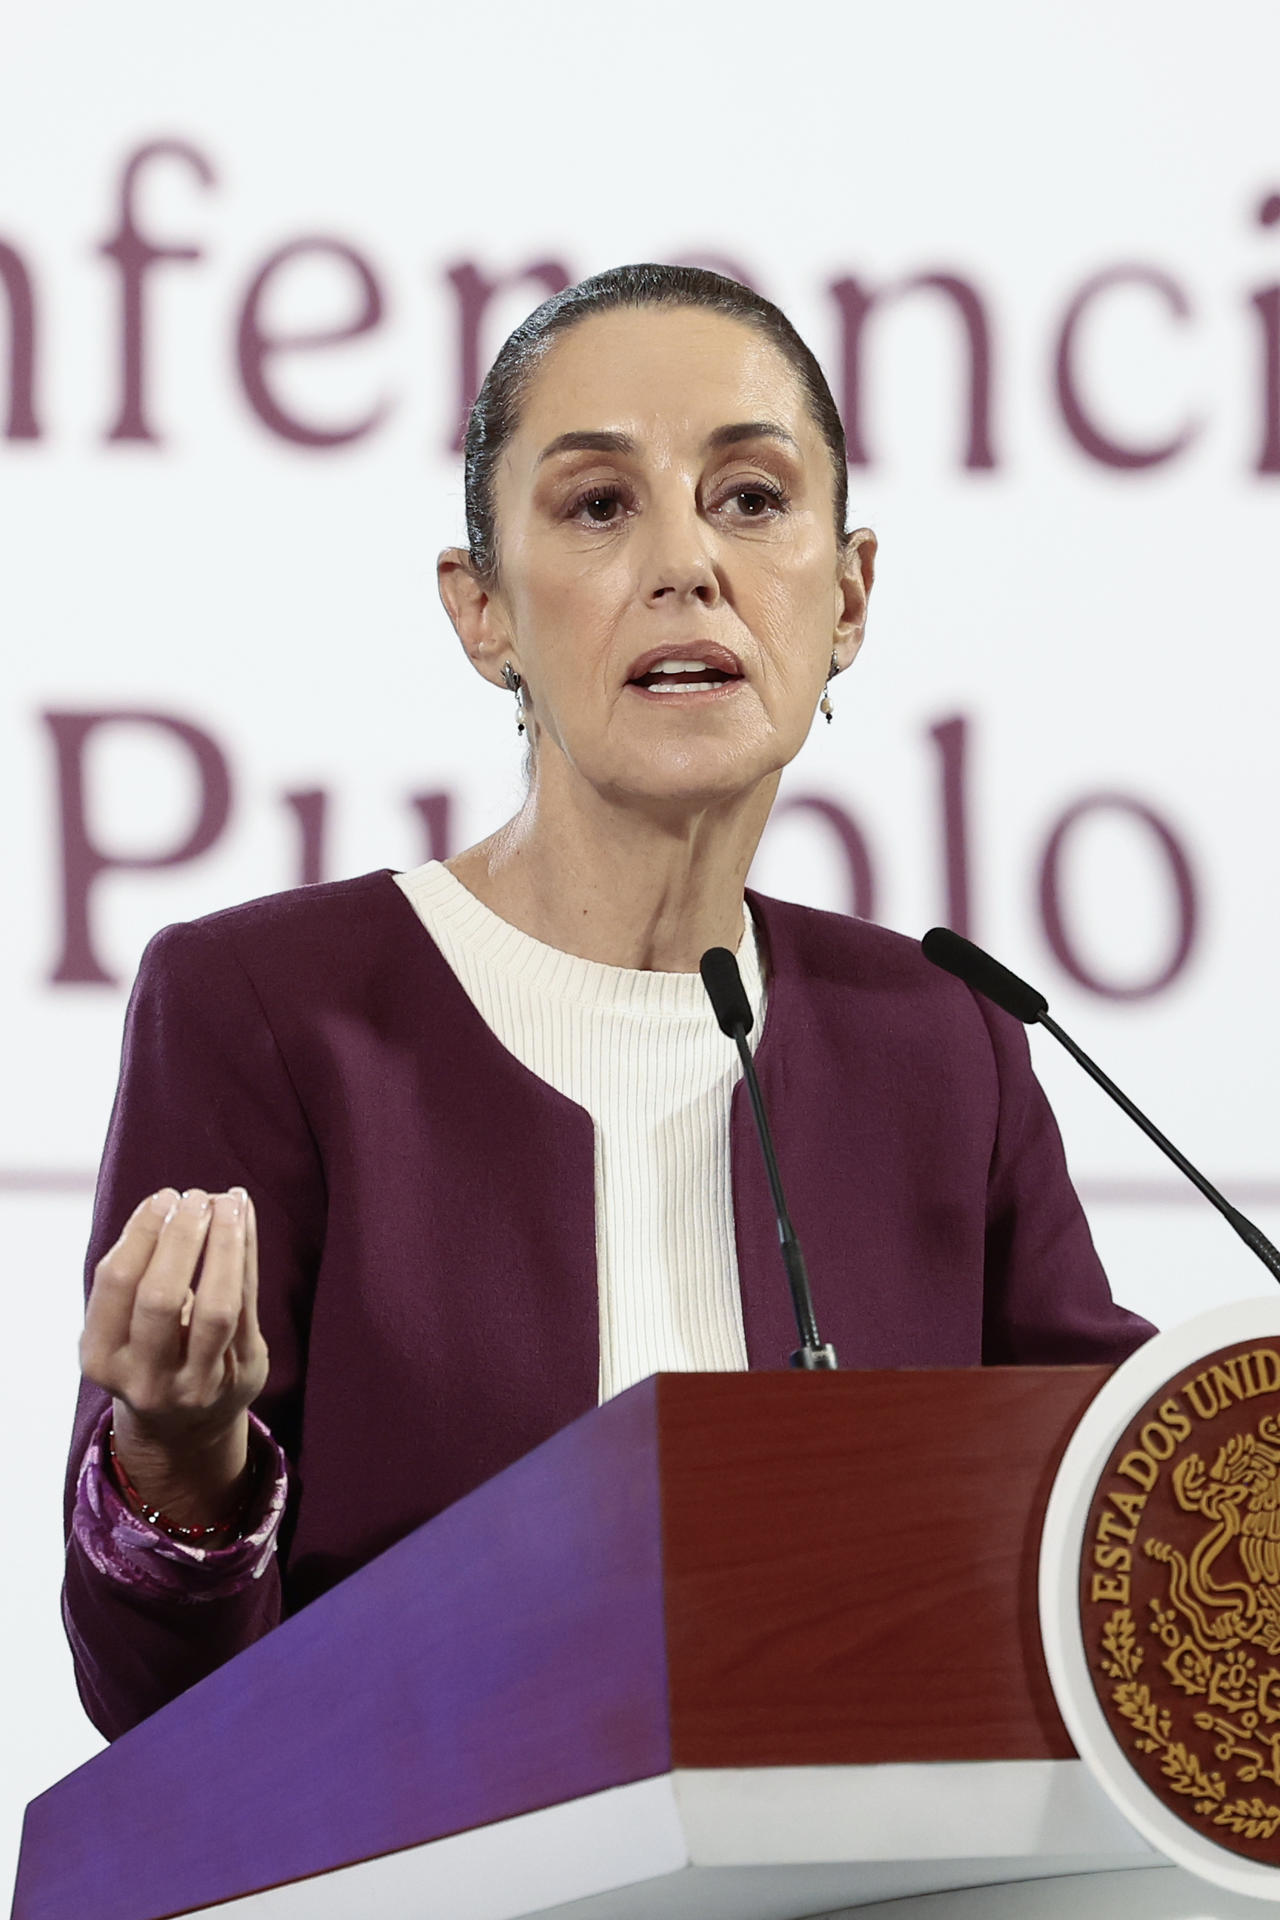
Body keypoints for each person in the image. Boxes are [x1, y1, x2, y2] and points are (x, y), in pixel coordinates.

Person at [64, 264, 1153, 1741]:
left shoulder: (941, 1040)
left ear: (847, 597)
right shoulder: (264, 1007)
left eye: (753, 500)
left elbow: (1132, 1538)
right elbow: (161, 1719)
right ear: (484, 611)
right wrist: (180, 1463)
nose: (687, 564)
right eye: (596, 507)